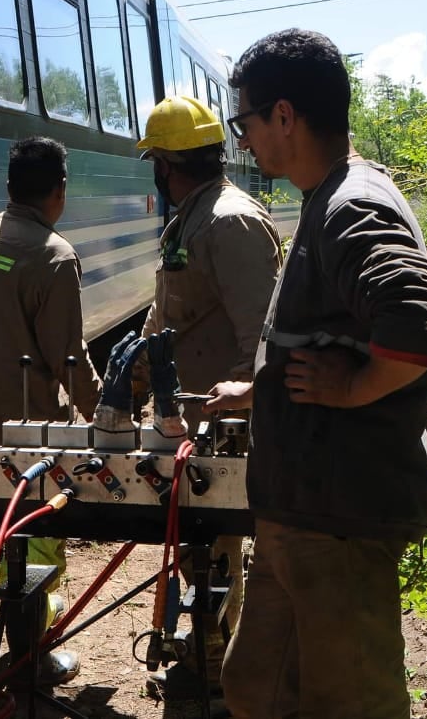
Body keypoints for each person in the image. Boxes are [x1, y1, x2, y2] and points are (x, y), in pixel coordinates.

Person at [203, 28, 427, 718]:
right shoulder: (325, 195)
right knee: (256, 686)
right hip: (302, 511)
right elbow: (338, 326)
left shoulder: (351, 205)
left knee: (350, 704)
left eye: (245, 122)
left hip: (339, 517)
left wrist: (353, 387)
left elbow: (418, 318)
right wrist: (263, 387)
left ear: (284, 115)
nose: (243, 140)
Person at [133, 96, 282, 704]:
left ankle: (220, 674)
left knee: (218, 553)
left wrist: (240, 415)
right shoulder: (194, 217)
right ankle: (204, 657)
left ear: (165, 164)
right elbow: (169, 312)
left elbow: (261, 341)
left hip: (224, 429)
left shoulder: (230, 221)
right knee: (200, 550)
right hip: (193, 422)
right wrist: (131, 381)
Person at [0, 135, 102, 686]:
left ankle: (11, 647)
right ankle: (32, 657)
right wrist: (106, 416)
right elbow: (70, 357)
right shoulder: (53, 255)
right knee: (38, 546)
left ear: (10, 186)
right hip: (28, 433)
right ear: (59, 191)